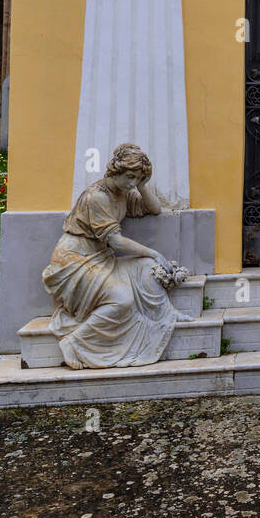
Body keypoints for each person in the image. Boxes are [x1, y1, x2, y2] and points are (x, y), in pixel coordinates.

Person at [42, 143, 191, 369]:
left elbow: (155, 209)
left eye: (137, 177)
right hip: (75, 260)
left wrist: (142, 185)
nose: (132, 182)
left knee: (146, 266)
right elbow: (116, 241)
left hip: (100, 257)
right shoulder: (97, 196)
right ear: (115, 171)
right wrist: (153, 251)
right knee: (122, 299)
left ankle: (165, 313)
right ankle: (73, 341)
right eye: (130, 176)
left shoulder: (122, 193)